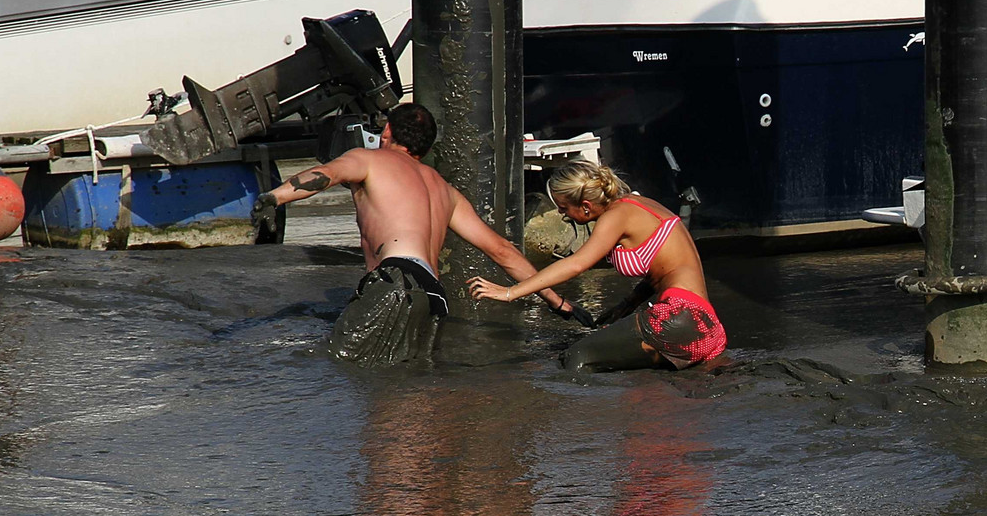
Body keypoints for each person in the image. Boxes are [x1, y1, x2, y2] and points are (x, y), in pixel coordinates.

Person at [253, 102, 586, 363]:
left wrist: (274, 198)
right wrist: (560, 305)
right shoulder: (444, 189)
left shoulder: (369, 160)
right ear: (425, 148)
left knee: (337, 364)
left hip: (395, 279)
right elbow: (501, 250)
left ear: (386, 132)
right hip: (434, 297)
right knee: (408, 385)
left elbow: (324, 175)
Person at [467, 159, 727, 371]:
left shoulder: (616, 216)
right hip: (707, 328)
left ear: (586, 206)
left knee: (575, 358)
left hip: (678, 319)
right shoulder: (642, 205)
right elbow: (663, 270)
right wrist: (624, 307)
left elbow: (576, 264)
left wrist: (510, 292)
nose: (561, 214)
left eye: (563, 208)